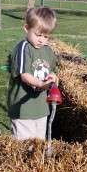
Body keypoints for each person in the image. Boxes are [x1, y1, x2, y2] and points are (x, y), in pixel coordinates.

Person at [7, 7, 59, 140]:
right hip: (23, 109)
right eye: (38, 35)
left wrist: (53, 78)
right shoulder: (23, 48)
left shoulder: (48, 51)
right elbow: (24, 75)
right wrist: (41, 83)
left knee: (38, 146)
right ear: (26, 28)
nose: (41, 40)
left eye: (46, 36)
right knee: (23, 148)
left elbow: (51, 70)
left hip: (41, 109)